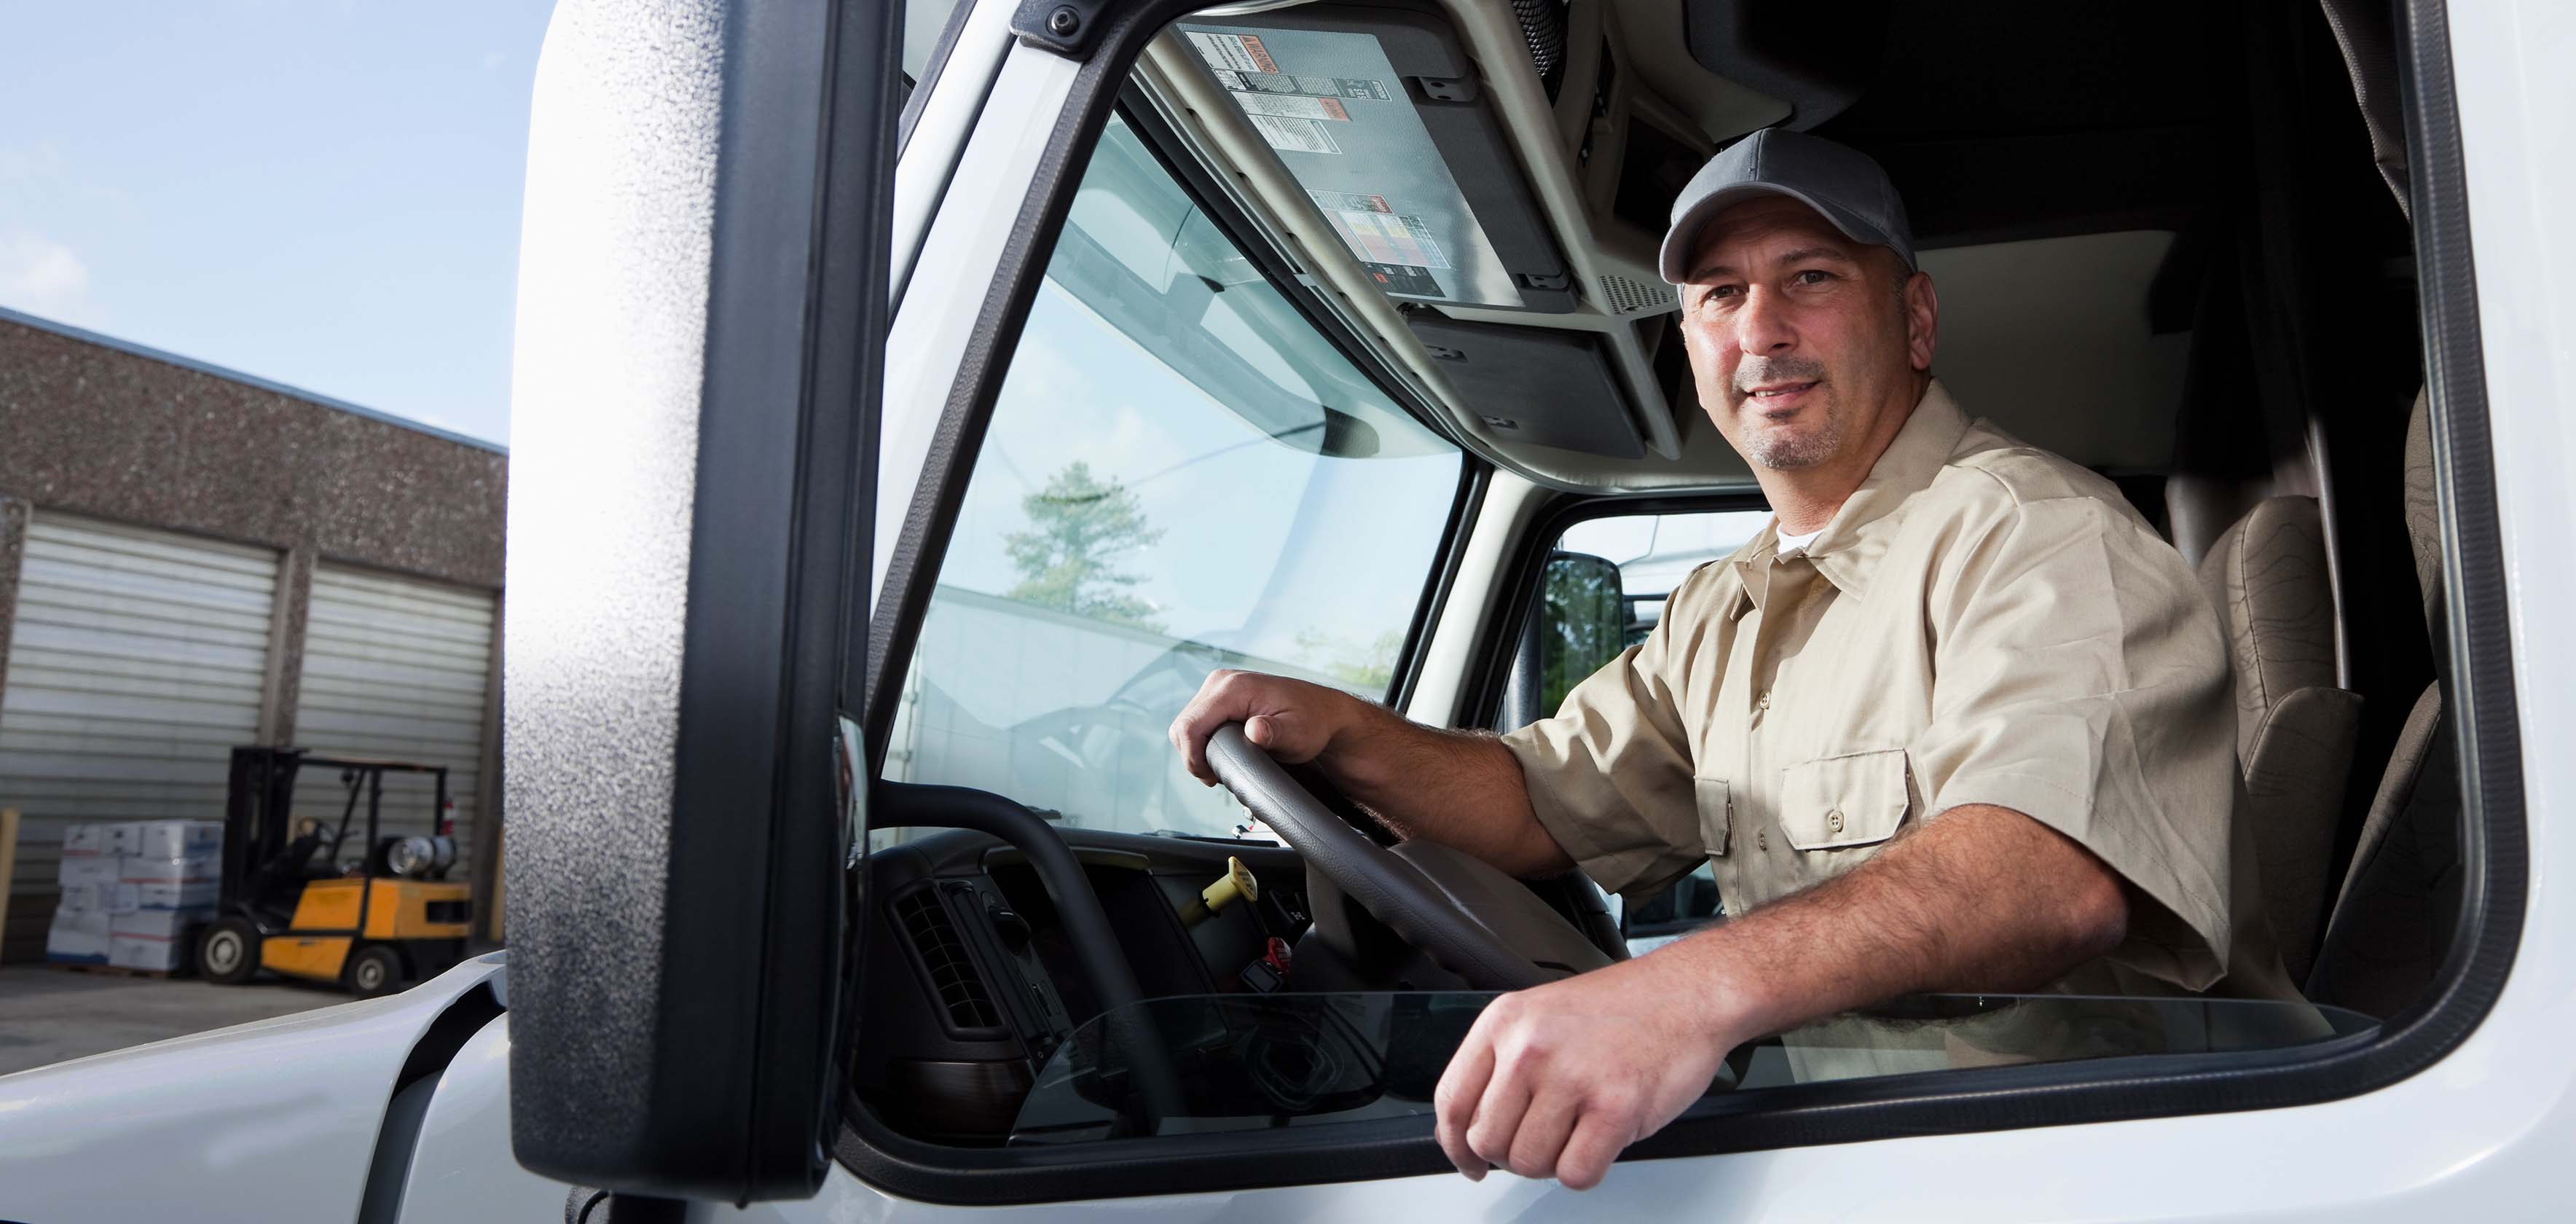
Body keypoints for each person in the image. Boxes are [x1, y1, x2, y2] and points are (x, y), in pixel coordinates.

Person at [1167, 128, 2289, 1190]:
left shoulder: (2037, 534)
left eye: (1811, 278)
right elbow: (1540, 805)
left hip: (2084, 1164)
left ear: (1915, 321)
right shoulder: (1720, 608)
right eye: (1720, 296)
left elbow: (2052, 875)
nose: (1761, 330)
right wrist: (1347, 735)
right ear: (1695, 348)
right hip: (1853, 1150)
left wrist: (1682, 994)